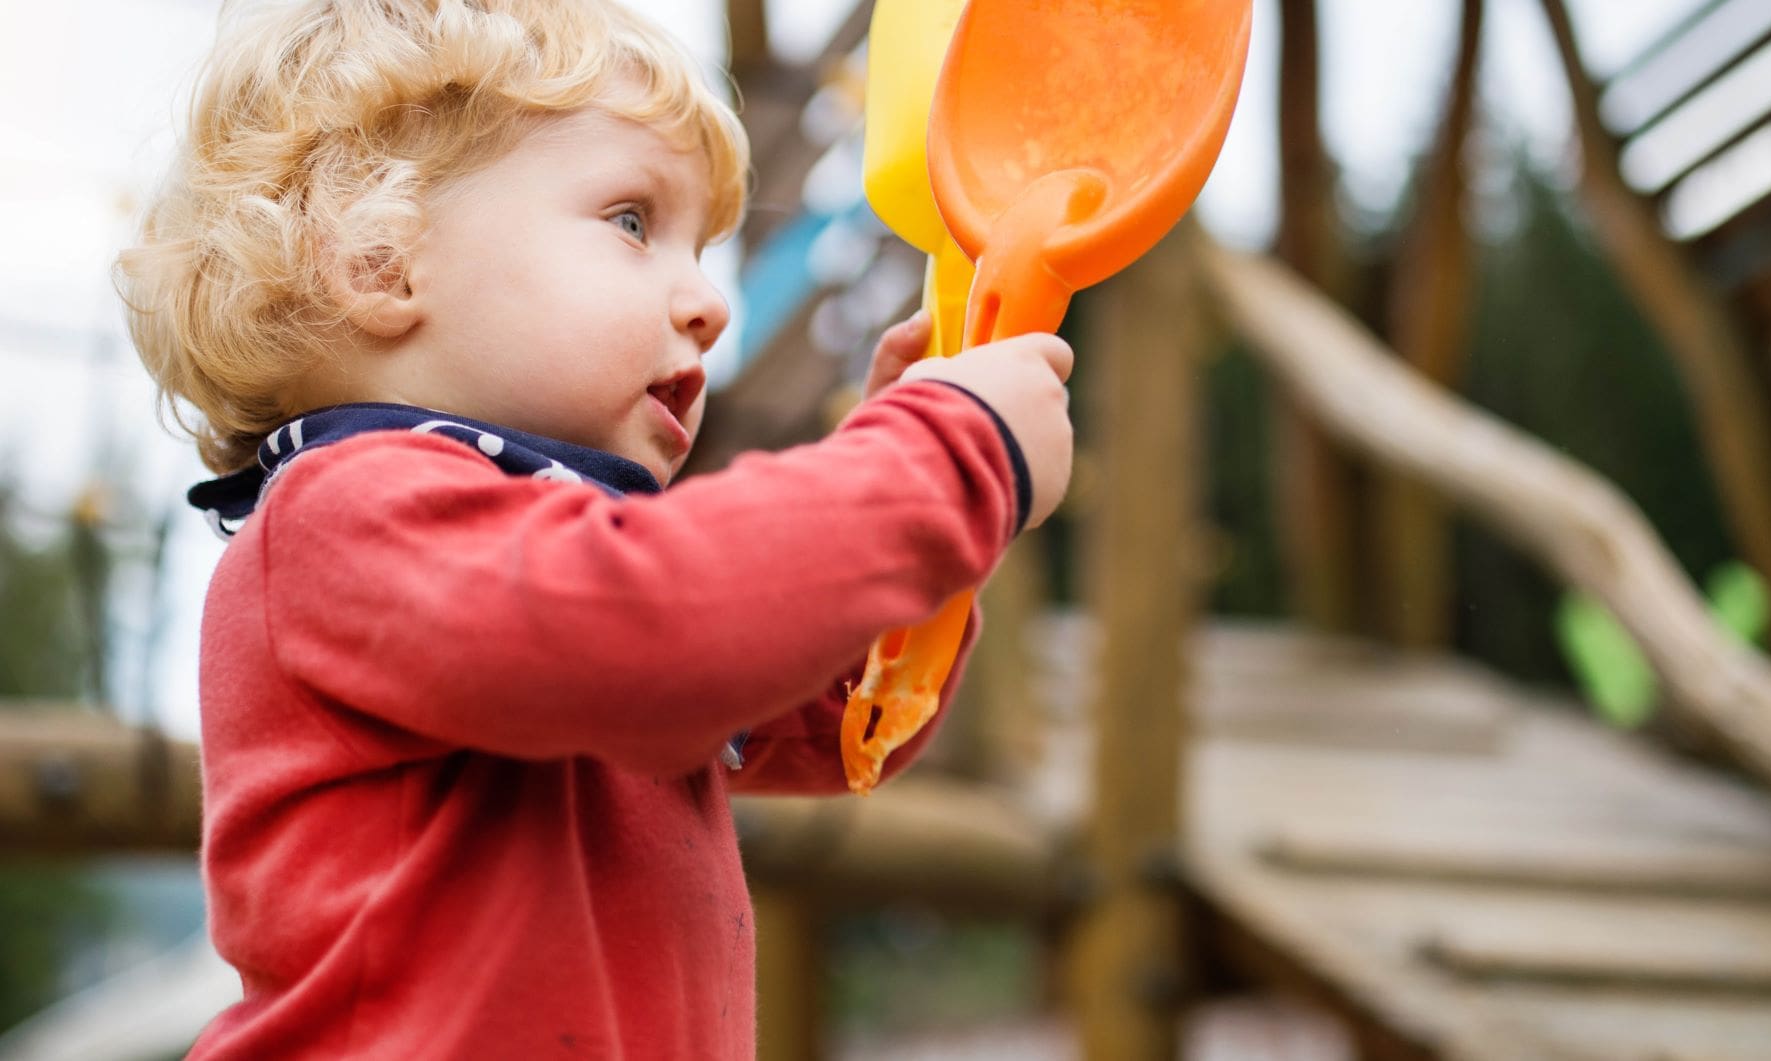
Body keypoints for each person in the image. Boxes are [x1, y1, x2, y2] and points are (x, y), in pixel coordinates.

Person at [114, 1, 1074, 1057]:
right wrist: (941, 459)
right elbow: (664, 625)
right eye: (631, 221)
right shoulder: (346, 513)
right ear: (380, 256)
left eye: (699, 246)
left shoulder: (559, 555)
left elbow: (834, 717)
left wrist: (922, 509)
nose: (707, 298)